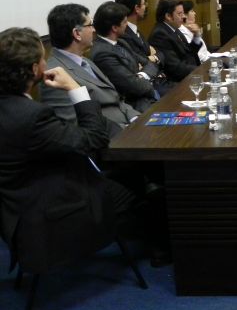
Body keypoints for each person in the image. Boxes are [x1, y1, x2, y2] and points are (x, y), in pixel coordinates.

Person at [0, 27, 137, 272]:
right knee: (136, 185)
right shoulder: (32, 115)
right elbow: (94, 140)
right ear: (35, 68)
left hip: (15, 209)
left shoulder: (18, 109)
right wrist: (75, 89)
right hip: (50, 210)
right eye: (43, 58)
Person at [40, 4, 139, 137]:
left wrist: (135, 118)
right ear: (77, 34)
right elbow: (76, 127)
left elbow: (116, 98)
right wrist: (127, 131)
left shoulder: (85, 61)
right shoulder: (54, 75)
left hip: (129, 125)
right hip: (111, 139)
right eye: (90, 24)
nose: (94, 29)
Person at [91, 1, 159, 113]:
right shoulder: (102, 53)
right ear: (114, 28)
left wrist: (140, 75)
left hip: (146, 96)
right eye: (125, 22)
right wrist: (144, 77)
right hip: (134, 106)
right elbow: (134, 87)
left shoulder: (122, 42)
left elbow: (149, 63)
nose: (127, 25)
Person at [148, 0, 202, 82]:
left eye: (183, 13)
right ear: (168, 16)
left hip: (191, 74)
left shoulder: (173, 28)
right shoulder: (159, 35)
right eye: (180, 14)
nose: (184, 17)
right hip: (179, 82)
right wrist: (201, 69)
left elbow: (189, 51)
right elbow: (175, 68)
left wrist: (196, 36)